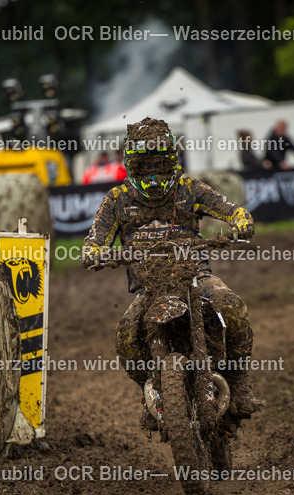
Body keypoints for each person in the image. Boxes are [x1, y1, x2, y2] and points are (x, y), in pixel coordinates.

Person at [81, 117, 261, 427]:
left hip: (196, 277)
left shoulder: (189, 188)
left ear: (171, 160)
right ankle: (149, 394)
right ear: (131, 163)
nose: (152, 172)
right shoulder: (116, 200)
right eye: (144, 163)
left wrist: (241, 221)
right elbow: (92, 243)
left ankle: (239, 382)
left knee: (231, 308)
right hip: (149, 288)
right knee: (126, 335)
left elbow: (231, 208)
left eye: (159, 162)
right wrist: (95, 254)